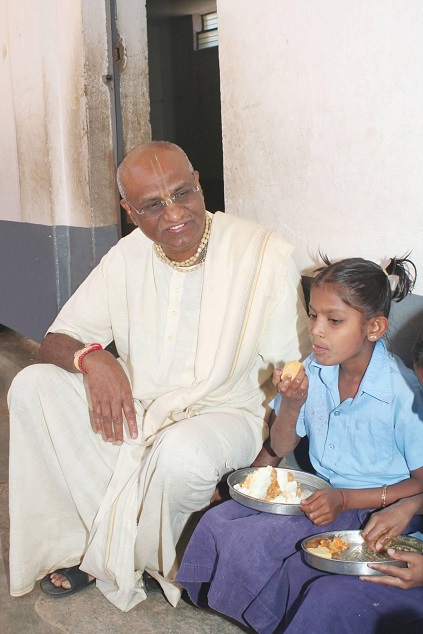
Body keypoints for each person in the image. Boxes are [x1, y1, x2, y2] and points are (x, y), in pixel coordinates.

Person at [7, 141, 309, 611]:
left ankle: (114, 556)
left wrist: (266, 457)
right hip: (142, 407)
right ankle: (95, 545)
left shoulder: (261, 253)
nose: (174, 214)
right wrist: (96, 361)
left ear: (199, 185)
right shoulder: (127, 256)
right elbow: (57, 339)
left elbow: (297, 370)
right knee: (33, 386)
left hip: (227, 412)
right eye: (153, 205)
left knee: (180, 452)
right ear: (130, 212)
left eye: (182, 193)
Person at [176, 255, 423, 633]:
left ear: (374, 327)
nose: (317, 331)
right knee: (221, 523)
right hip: (326, 498)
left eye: (334, 320)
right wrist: (291, 405)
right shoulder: (315, 367)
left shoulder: (402, 393)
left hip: (376, 507)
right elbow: (281, 442)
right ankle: (246, 612)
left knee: (290, 560)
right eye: (313, 316)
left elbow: (421, 483)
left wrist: (346, 501)